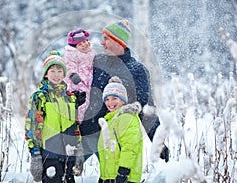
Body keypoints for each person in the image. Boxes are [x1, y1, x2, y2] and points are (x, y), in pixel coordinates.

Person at [79, 20, 169, 162]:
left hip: (114, 138)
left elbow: (145, 107)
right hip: (86, 133)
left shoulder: (137, 70)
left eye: (106, 39)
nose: (102, 43)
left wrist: (158, 142)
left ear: (119, 42)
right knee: (63, 171)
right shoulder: (96, 61)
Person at [25, 51, 85, 183]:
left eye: (59, 71)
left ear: (64, 74)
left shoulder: (70, 98)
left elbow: (75, 125)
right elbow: (32, 126)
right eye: (52, 71)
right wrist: (35, 153)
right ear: (46, 74)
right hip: (49, 153)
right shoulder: (40, 97)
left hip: (70, 153)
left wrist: (79, 149)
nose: (56, 75)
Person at [97, 76, 143, 183]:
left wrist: (123, 171)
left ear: (123, 100)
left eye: (114, 98)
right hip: (110, 176)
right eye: (107, 99)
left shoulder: (126, 117)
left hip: (122, 177)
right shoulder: (110, 120)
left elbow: (130, 147)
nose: (110, 103)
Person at [63, 28, 96, 123]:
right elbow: (68, 65)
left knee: (87, 103)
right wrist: (72, 74)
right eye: (80, 45)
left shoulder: (92, 53)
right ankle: (76, 121)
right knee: (80, 104)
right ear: (75, 47)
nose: (84, 45)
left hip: (88, 83)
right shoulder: (72, 54)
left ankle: (80, 122)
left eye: (85, 42)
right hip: (77, 83)